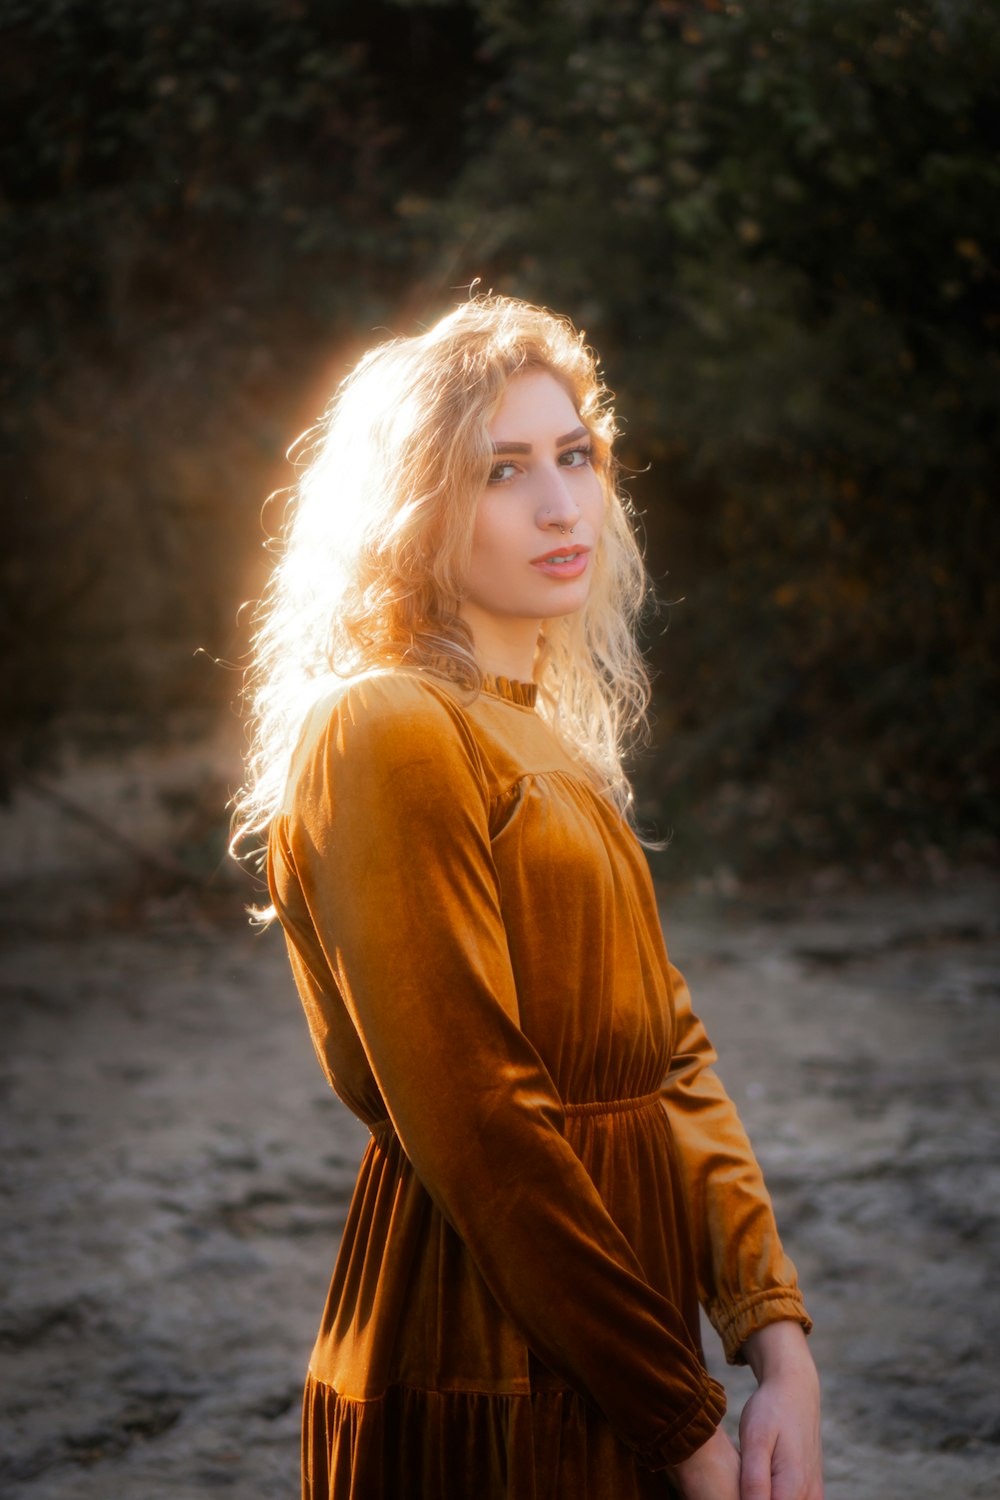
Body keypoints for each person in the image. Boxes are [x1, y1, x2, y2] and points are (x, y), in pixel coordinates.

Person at [234, 294, 824, 1500]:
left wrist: (778, 1343)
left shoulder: (544, 748)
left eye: (576, 457)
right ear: (412, 511)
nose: (562, 505)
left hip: (624, 1340)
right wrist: (682, 1424)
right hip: (483, 1362)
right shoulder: (387, 725)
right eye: (502, 470)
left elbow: (672, 1058)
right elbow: (478, 1121)